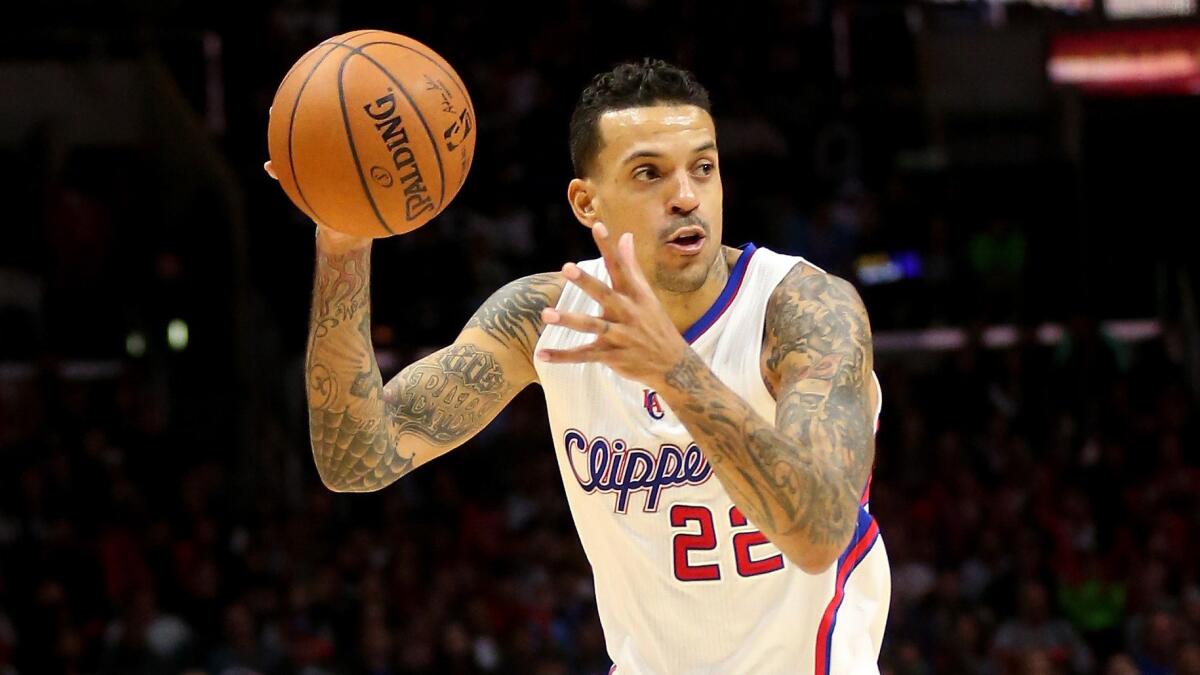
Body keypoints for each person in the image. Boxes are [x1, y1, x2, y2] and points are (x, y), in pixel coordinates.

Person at [267, 58, 889, 674]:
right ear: (586, 203)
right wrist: (343, 244)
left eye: (704, 168)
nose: (685, 197)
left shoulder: (805, 310)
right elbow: (358, 459)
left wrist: (674, 369)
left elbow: (819, 534)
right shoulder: (545, 317)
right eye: (649, 173)